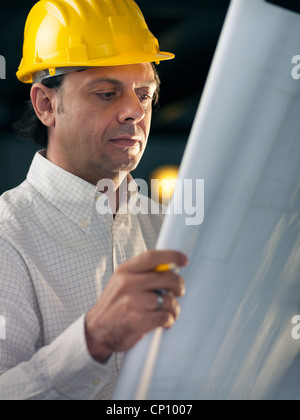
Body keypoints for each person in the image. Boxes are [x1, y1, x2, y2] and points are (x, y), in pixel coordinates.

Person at [0, 0, 188, 400]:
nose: (135, 111)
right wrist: (94, 339)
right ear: (46, 104)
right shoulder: (7, 238)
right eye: (106, 93)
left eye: (144, 94)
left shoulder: (173, 228)